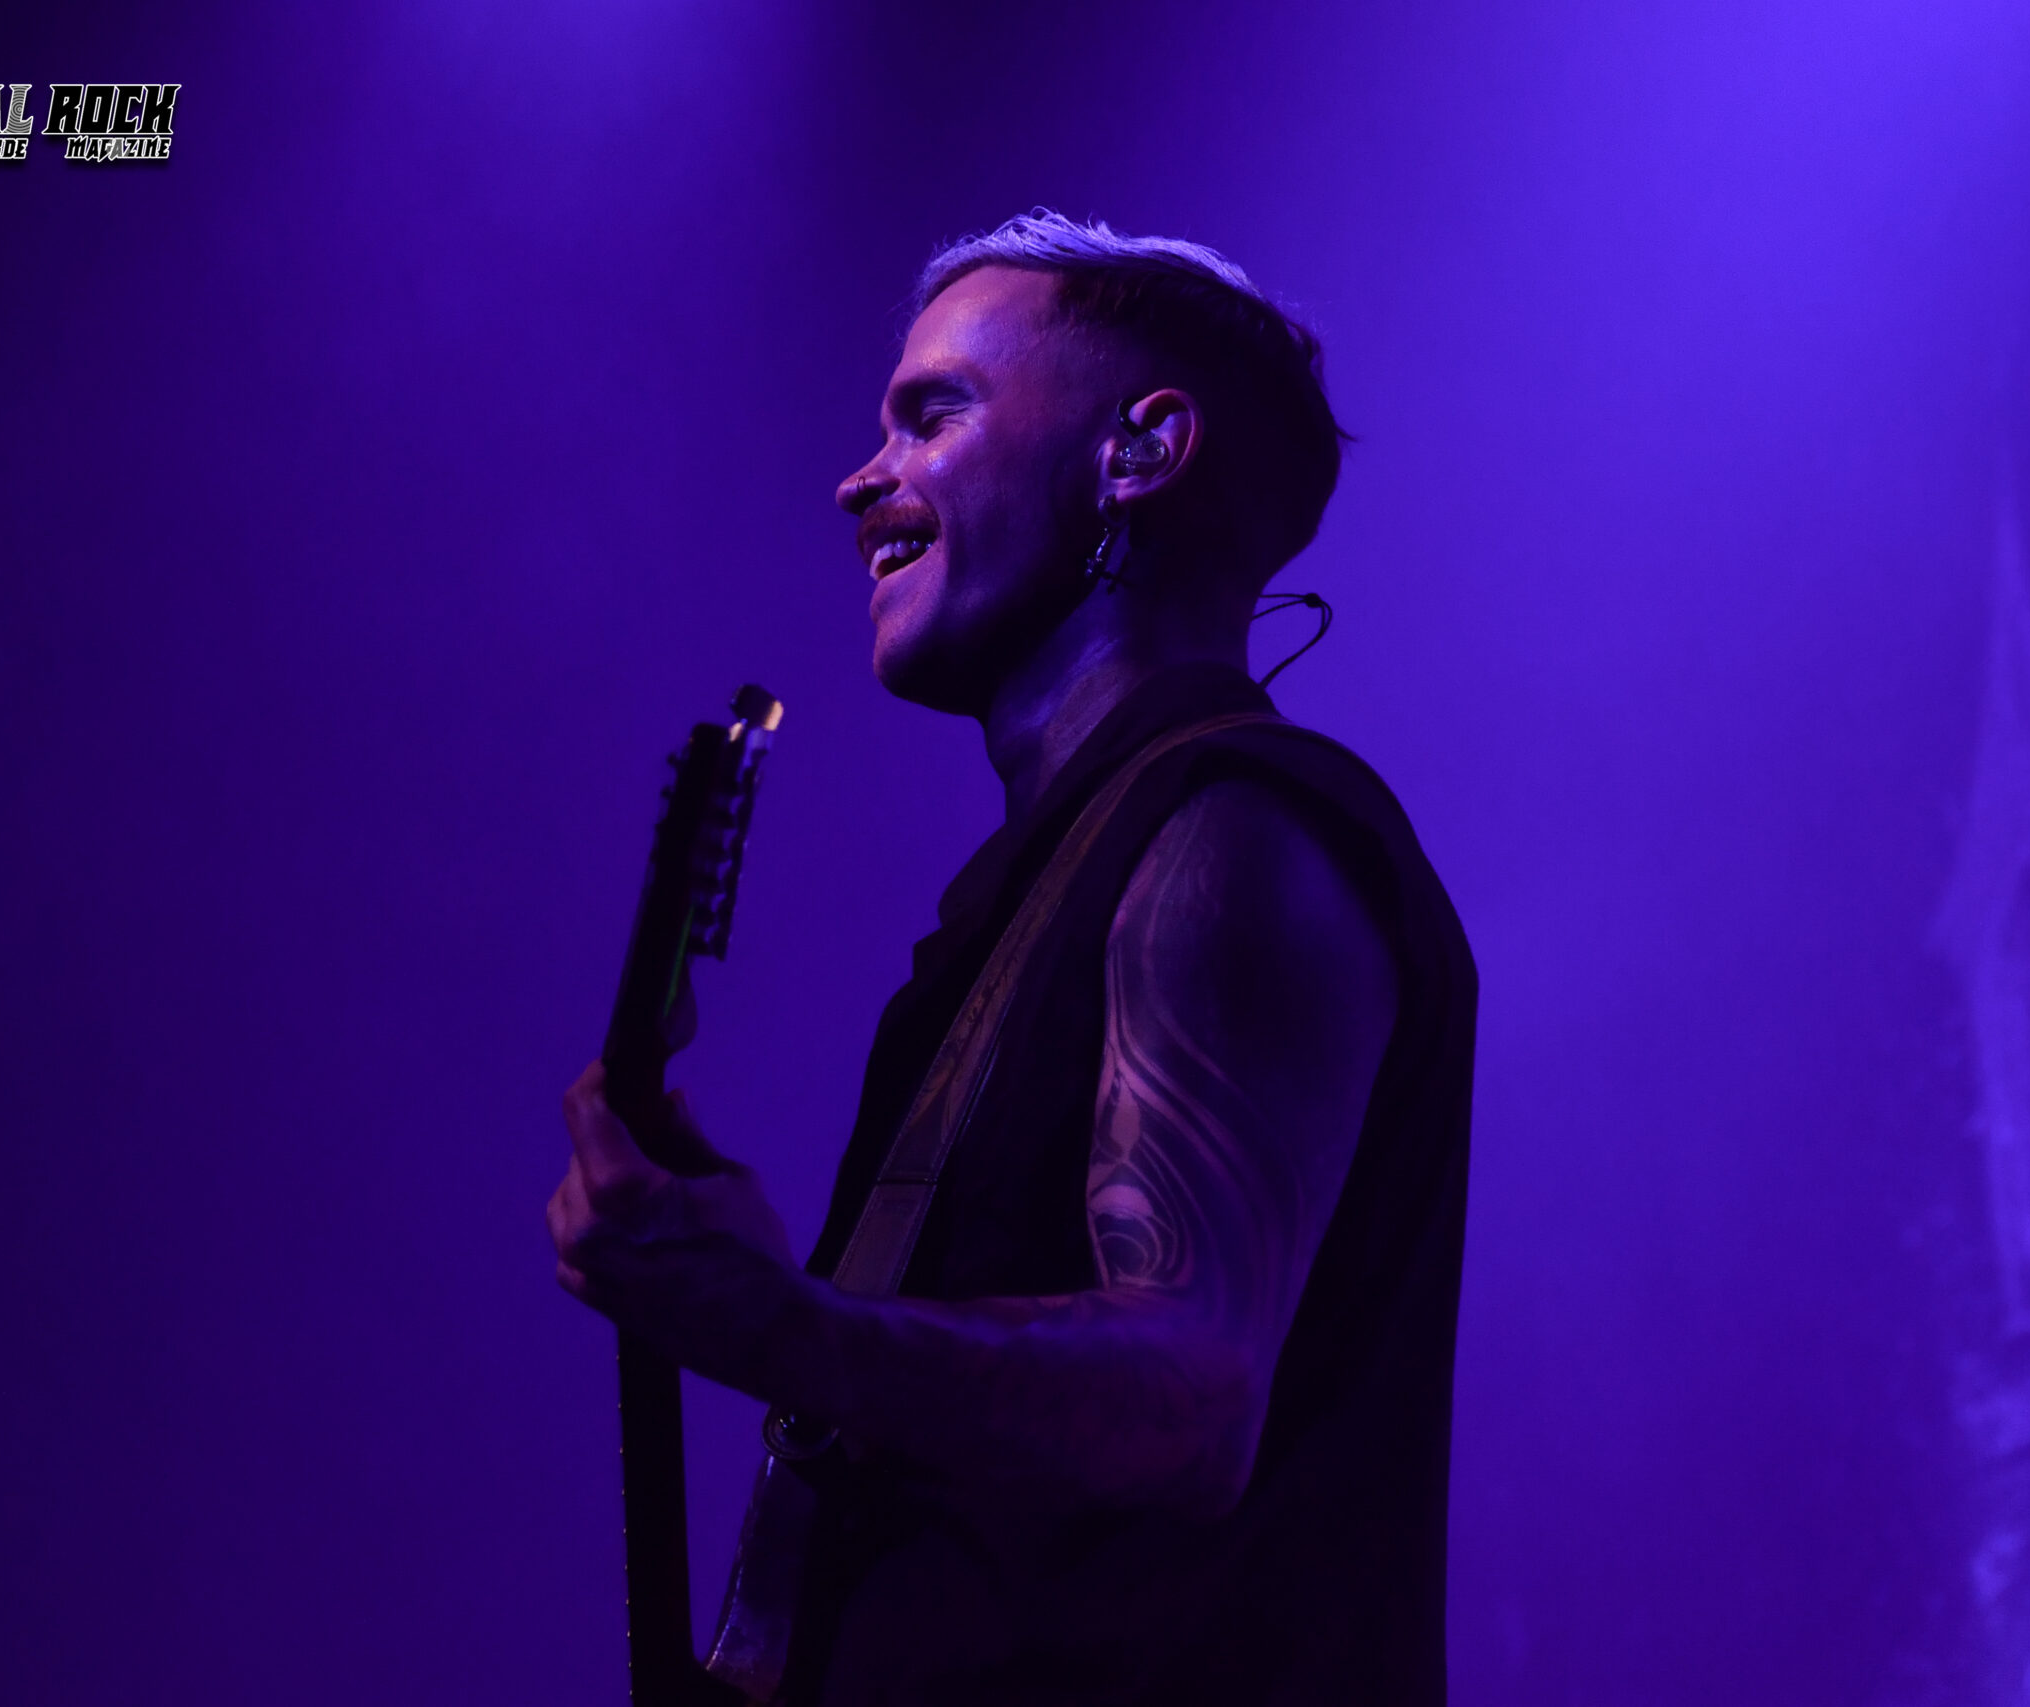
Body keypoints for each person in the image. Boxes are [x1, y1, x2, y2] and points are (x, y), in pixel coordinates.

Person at [547, 212, 1477, 1705]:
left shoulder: (1236, 827)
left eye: (934, 415)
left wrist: (777, 1319)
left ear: (1138, 450)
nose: (862, 478)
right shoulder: (1032, 894)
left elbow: (1190, 1395)